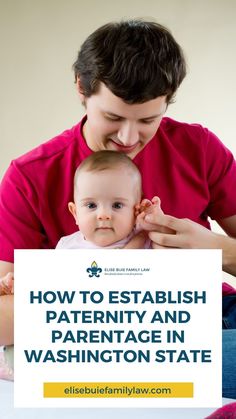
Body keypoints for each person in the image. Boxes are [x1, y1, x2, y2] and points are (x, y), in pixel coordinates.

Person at [0, 19, 236, 397]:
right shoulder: (29, 177)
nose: (128, 139)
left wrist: (214, 250)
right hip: (132, 338)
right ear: (81, 86)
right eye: (113, 117)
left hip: (217, 307)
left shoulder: (199, 148)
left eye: (148, 121)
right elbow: (6, 315)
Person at [56, 150, 160, 249]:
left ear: (136, 211)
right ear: (75, 213)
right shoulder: (66, 247)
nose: (103, 215)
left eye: (117, 205)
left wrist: (155, 223)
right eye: (91, 205)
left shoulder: (149, 240)